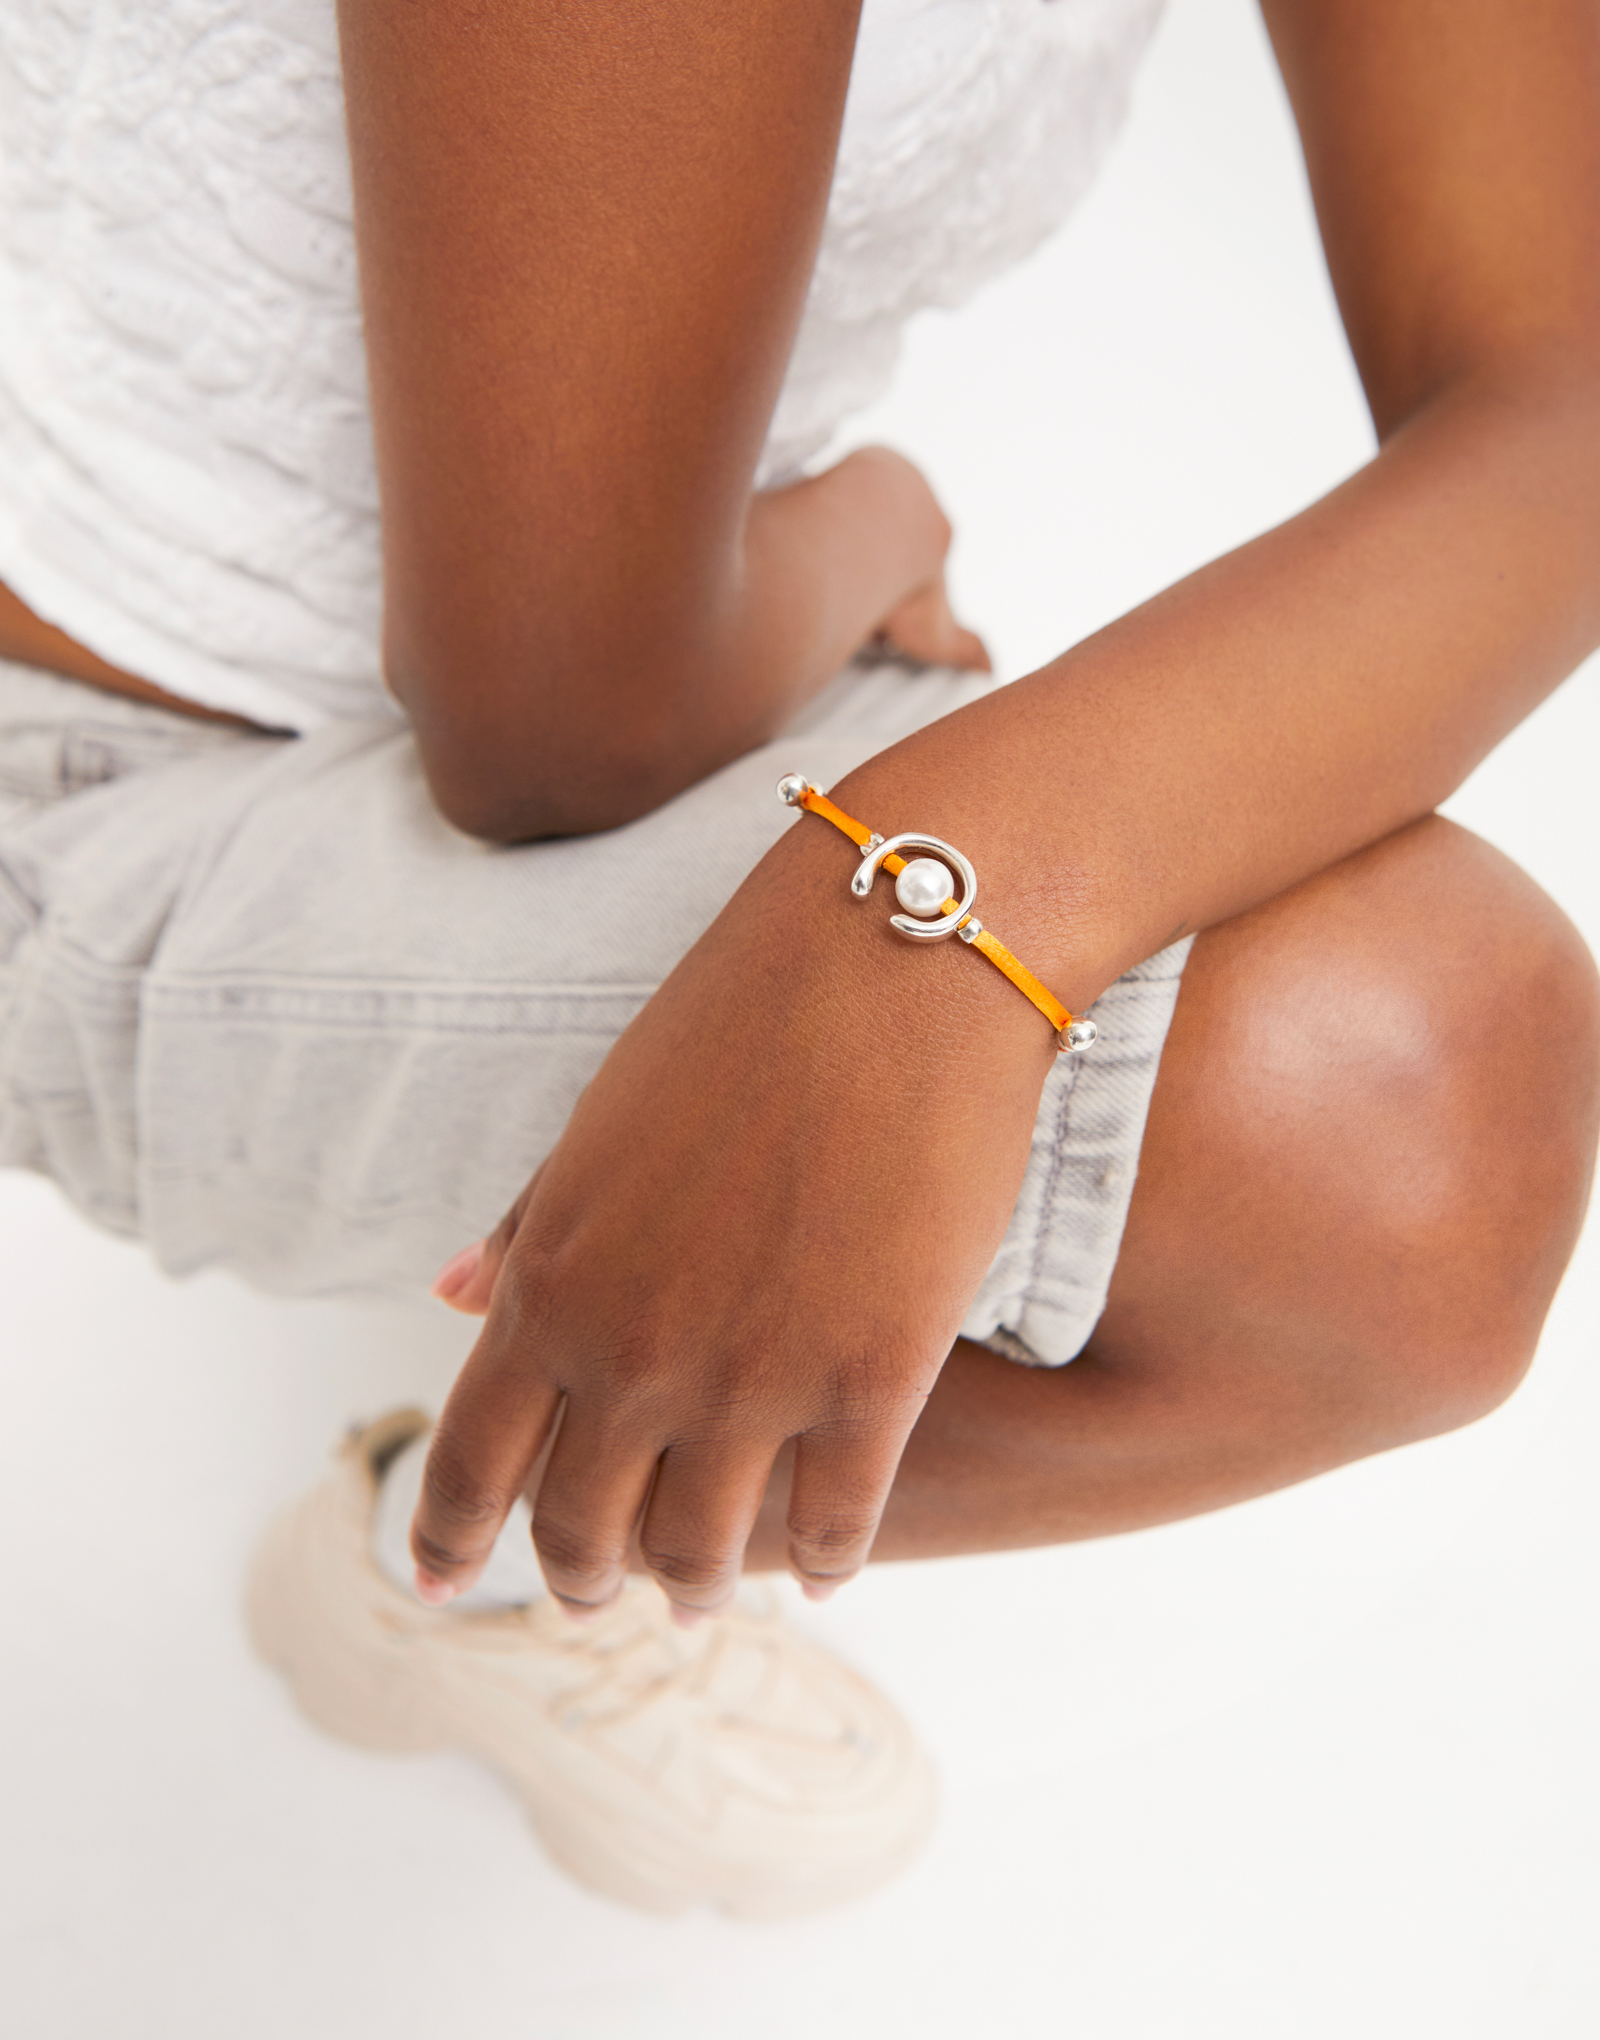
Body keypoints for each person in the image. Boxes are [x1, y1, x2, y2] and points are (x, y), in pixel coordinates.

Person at [2, 0, 1597, 1918]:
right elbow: (555, 723)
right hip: (124, 775)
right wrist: (880, 529)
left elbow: (1565, 392)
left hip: (672, 631)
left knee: (1403, 1089)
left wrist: (972, 881)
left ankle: (509, 1511)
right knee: (1396, 1112)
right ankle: (488, 1533)